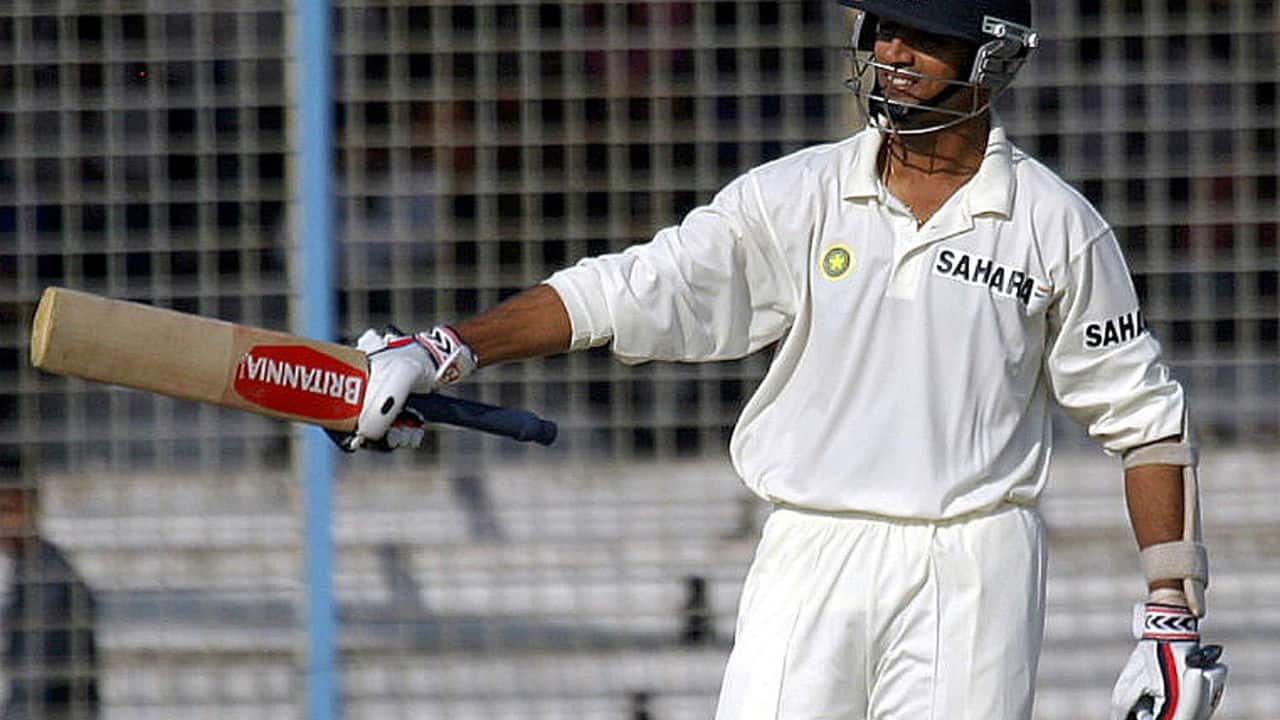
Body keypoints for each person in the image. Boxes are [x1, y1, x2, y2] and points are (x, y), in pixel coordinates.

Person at [337, 1, 1229, 717]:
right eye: (883, 27)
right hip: (810, 547)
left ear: (991, 55)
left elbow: (1147, 425)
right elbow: (632, 287)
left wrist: (1169, 619)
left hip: (973, 566)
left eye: (924, 34)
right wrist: (449, 350)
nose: (892, 50)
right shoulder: (797, 196)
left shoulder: (1056, 226)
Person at [0, 478, 100, 720]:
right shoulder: (31, 569)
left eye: (6, 511)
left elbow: (34, 684)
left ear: (31, 510)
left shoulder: (49, 579)